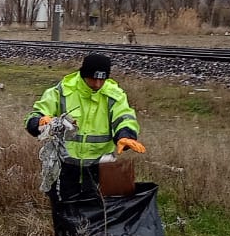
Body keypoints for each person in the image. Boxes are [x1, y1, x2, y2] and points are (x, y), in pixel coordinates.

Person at [25, 53, 145, 204]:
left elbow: (124, 117)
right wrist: (39, 122)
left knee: (101, 211)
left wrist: (125, 135)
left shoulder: (114, 95)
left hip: (100, 166)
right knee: (64, 211)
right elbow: (35, 115)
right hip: (65, 166)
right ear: (83, 75)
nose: (97, 84)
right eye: (93, 79)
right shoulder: (62, 91)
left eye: (102, 79)